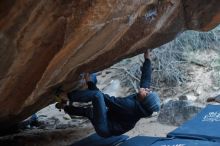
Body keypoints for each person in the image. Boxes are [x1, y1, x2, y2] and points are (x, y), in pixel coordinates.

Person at [57, 49, 160, 138]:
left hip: (105, 128)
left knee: (96, 96)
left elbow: (104, 99)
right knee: (90, 112)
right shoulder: (143, 101)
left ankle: (67, 96)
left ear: (143, 100)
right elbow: (146, 80)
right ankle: (65, 107)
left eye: (146, 93)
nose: (146, 90)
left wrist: (89, 82)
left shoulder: (129, 106)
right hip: (110, 119)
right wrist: (147, 59)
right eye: (148, 91)